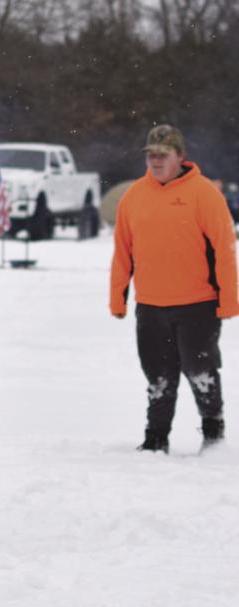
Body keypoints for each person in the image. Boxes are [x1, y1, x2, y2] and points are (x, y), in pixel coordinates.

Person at [110, 124, 238, 453]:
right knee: (158, 375)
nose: (155, 160)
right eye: (150, 155)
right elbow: (123, 251)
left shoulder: (205, 193)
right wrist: (118, 297)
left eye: (162, 155)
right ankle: (156, 437)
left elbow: (224, 250)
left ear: (180, 157)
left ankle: (213, 431)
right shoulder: (134, 195)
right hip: (151, 305)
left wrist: (229, 301)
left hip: (198, 304)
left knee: (200, 370)